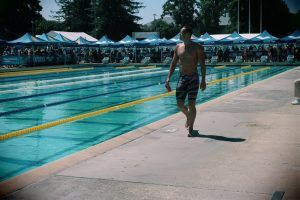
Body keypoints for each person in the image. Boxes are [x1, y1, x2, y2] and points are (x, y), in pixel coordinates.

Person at [165, 26, 206, 137]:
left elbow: (202, 65)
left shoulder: (198, 47)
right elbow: (173, 64)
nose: (179, 35)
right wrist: (168, 78)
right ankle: (188, 116)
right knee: (179, 103)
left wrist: (203, 80)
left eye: (181, 33)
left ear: (188, 34)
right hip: (182, 78)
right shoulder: (178, 47)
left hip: (193, 78)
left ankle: (191, 128)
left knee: (191, 104)